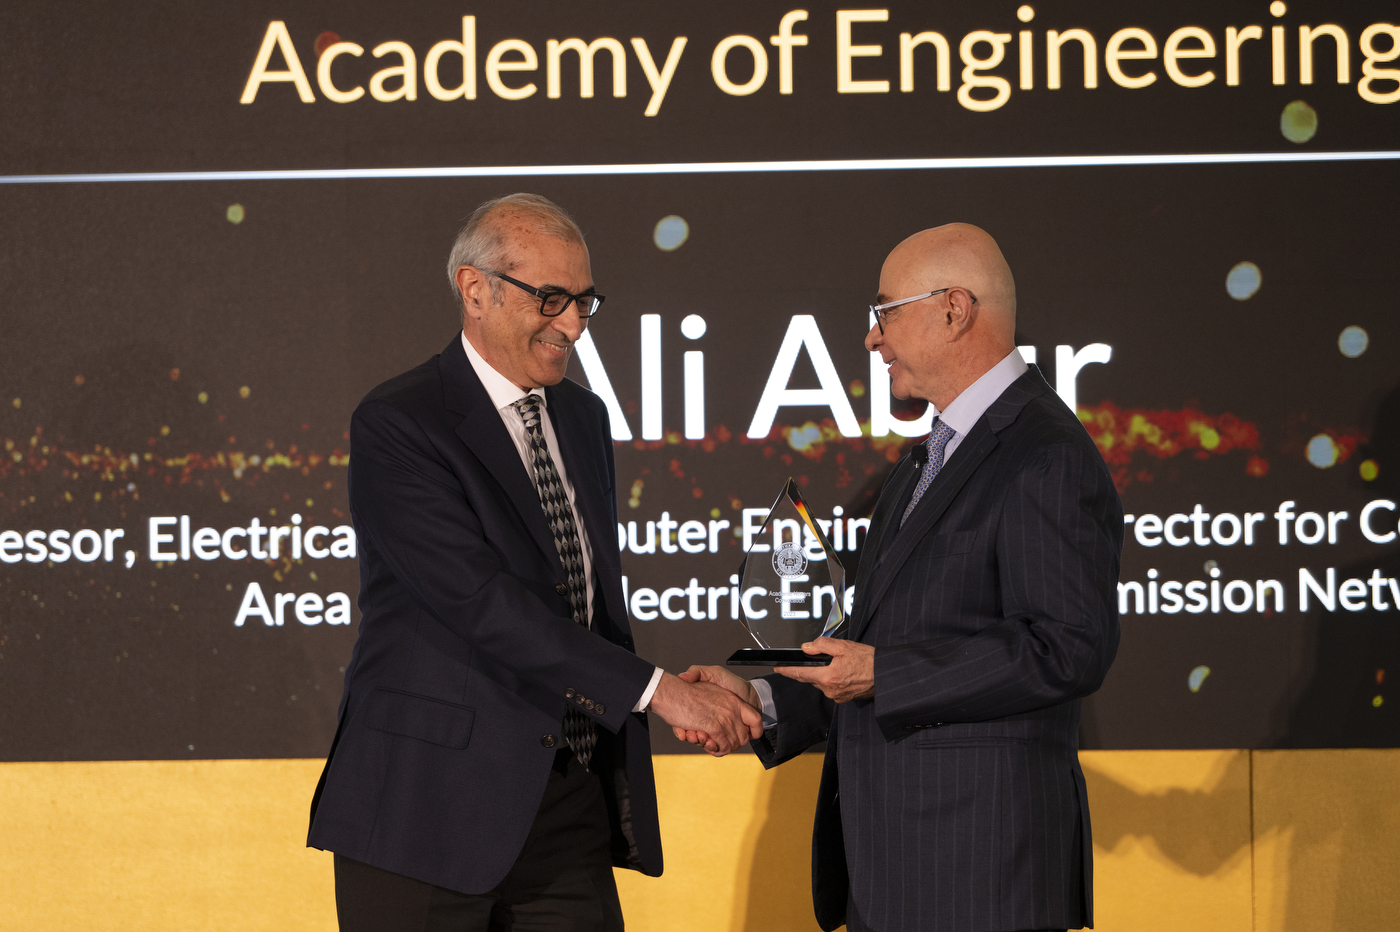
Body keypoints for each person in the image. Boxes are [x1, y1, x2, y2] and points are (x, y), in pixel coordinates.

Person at [308, 193, 762, 932]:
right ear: (475, 289)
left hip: (565, 810)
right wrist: (659, 694)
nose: (575, 324)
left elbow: (585, 605)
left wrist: (664, 690)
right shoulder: (401, 422)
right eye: (551, 298)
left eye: (586, 301)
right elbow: (481, 602)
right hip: (425, 815)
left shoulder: (581, 416)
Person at [680, 223, 1123, 932]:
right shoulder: (922, 463)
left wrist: (886, 673)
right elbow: (867, 655)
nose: (872, 338)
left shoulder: (1046, 452)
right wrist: (761, 701)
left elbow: (1068, 646)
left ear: (954, 308)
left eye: (884, 312)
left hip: (981, 876)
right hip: (890, 876)